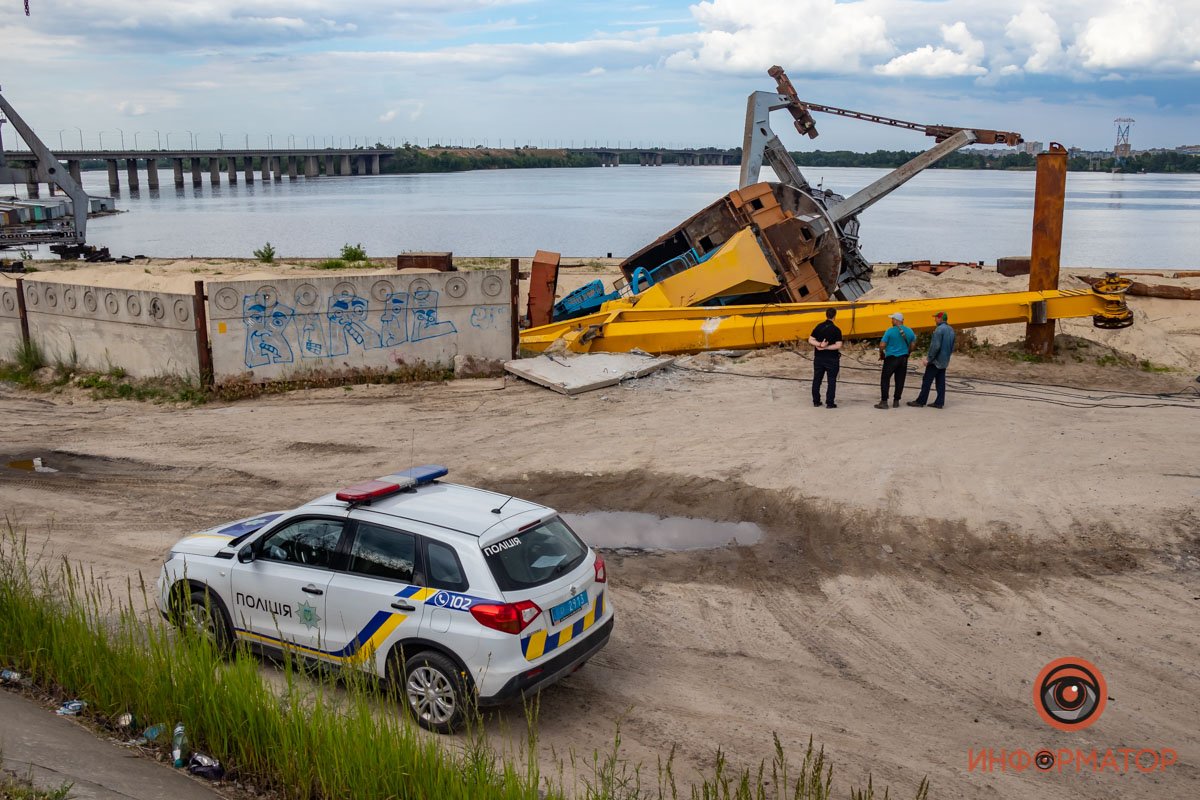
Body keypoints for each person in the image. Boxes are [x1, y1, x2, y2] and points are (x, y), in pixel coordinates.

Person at [908, 311, 956, 409]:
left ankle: (921, 401)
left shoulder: (939, 329)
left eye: (936, 318)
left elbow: (935, 346)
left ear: (940, 319)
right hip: (944, 361)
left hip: (935, 361)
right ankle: (939, 402)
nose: (934, 319)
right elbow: (952, 347)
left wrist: (929, 359)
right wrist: (947, 357)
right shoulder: (951, 330)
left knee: (927, 381)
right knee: (940, 382)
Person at [875, 312, 915, 409]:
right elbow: (913, 345)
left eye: (892, 319)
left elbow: (882, 345)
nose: (891, 321)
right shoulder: (910, 331)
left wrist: (881, 352)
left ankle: (884, 401)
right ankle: (896, 401)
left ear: (896, 320)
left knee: (885, 379)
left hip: (891, 358)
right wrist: (908, 352)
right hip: (903, 358)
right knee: (900, 380)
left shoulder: (890, 331)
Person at [808, 308, 842, 408]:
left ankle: (816, 401)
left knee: (817, 379)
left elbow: (810, 339)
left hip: (819, 357)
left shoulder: (819, 326)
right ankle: (830, 403)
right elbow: (838, 345)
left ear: (826, 315)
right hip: (832, 358)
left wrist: (819, 345)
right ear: (835, 316)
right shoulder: (836, 330)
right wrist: (826, 347)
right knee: (831, 380)